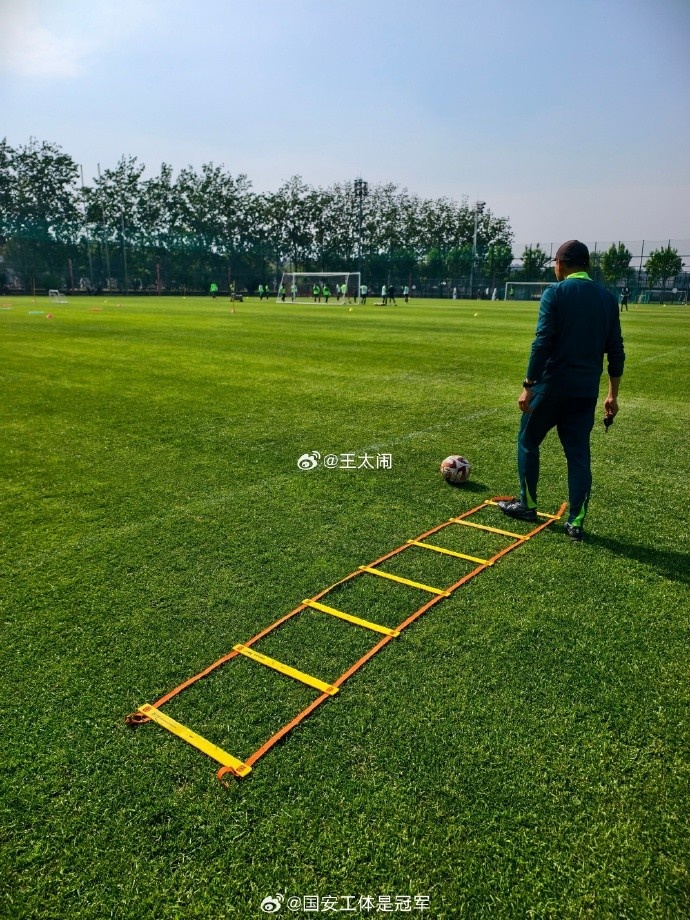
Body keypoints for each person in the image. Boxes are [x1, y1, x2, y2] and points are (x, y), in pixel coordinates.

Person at [497, 240, 625, 542]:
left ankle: (527, 505)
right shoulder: (608, 299)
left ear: (561, 264)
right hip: (585, 393)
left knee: (527, 441)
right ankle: (575, 522)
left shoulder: (555, 293)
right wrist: (612, 395)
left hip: (551, 388)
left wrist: (528, 385)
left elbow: (542, 342)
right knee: (578, 456)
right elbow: (616, 350)